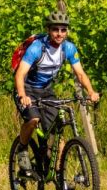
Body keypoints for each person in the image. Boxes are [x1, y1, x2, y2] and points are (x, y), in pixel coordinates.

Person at [14, 9, 99, 172]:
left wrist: (91, 92)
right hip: (27, 89)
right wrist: (23, 95)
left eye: (63, 30)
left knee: (55, 129)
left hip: (46, 90)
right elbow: (20, 75)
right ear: (48, 30)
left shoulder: (68, 48)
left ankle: (59, 174)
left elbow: (80, 74)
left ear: (67, 31)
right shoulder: (37, 48)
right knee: (33, 120)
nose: (59, 34)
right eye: (55, 29)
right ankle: (22, 149)